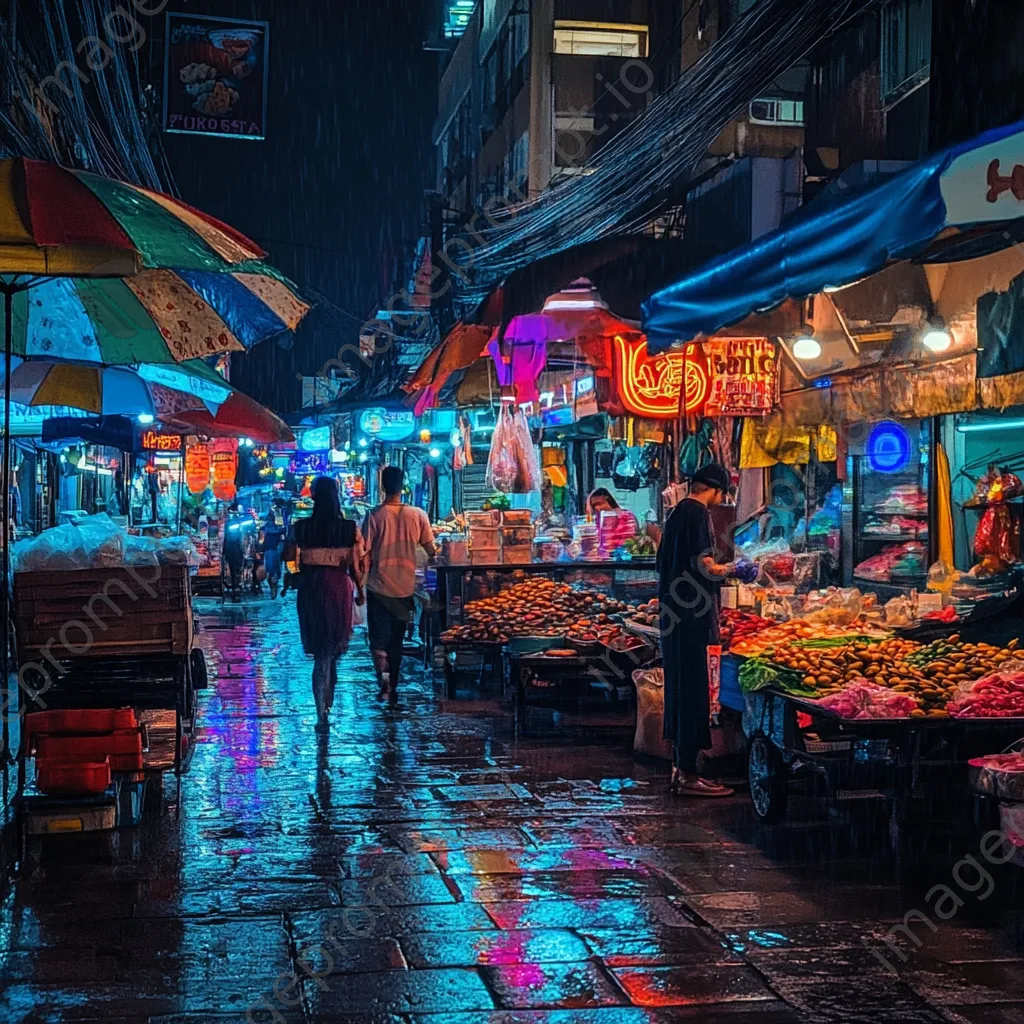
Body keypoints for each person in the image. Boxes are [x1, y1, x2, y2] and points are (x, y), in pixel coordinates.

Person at [658, 463, 736, 798]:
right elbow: (705, 566)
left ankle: (680, 767)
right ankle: (689, 775)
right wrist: (736, 569)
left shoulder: (676, 515)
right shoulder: (699, 515)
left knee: (679, 689)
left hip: (673, 618)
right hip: (693, 619)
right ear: (715, 490)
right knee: (695, 693)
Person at [287, 477, 365, 733]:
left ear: (314, 497)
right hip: (338, 588)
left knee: (320, 651)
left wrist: (297, 571)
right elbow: (355, 566)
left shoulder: (300, 528)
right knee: (331, 651)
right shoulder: (348, 528)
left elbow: (288, 558)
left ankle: (321, 709)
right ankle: (326, 705)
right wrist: (361, 591)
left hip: (311, 588)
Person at [362, 466, 435, 706]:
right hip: (405, 589)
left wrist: (358, 584)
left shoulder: (374, 516)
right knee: (397, 642)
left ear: (382, 486)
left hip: (378, 587)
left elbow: (364, 554)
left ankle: (385, 682)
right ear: (402, 487)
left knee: (378, 642)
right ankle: (393, 683)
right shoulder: (418, 515)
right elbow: (432, 551)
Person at [222, 502, 248, 601]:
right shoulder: (231, 522)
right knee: (234, 569)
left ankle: (235, 586)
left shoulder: (235, 521)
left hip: (235, 549)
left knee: (236, 569)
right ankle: (234, 587)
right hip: (233, 549)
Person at [259, 509, 286, 598]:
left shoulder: (265, 528)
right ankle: (273, 590)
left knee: (271, 572)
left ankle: (273, 590)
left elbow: (260, 541)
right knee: (273, 572)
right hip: (274, 552)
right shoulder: (277, 529)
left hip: (271, 552)